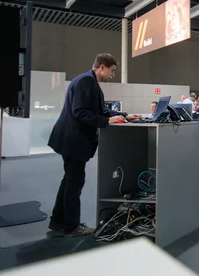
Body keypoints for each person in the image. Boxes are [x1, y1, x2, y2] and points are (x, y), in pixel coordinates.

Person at [47, 53, 142, 236]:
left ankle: (57, 221)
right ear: (102, 67)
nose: (113, 75)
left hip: (70, 139)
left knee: (69, 181)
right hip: (73, 141)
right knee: (74, 183)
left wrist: (123, 115)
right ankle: (72, 226)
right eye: (112, 71)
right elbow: (80, 112)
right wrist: (106, 122)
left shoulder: (87, 81)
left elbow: (100, 109)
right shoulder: (86, 82)